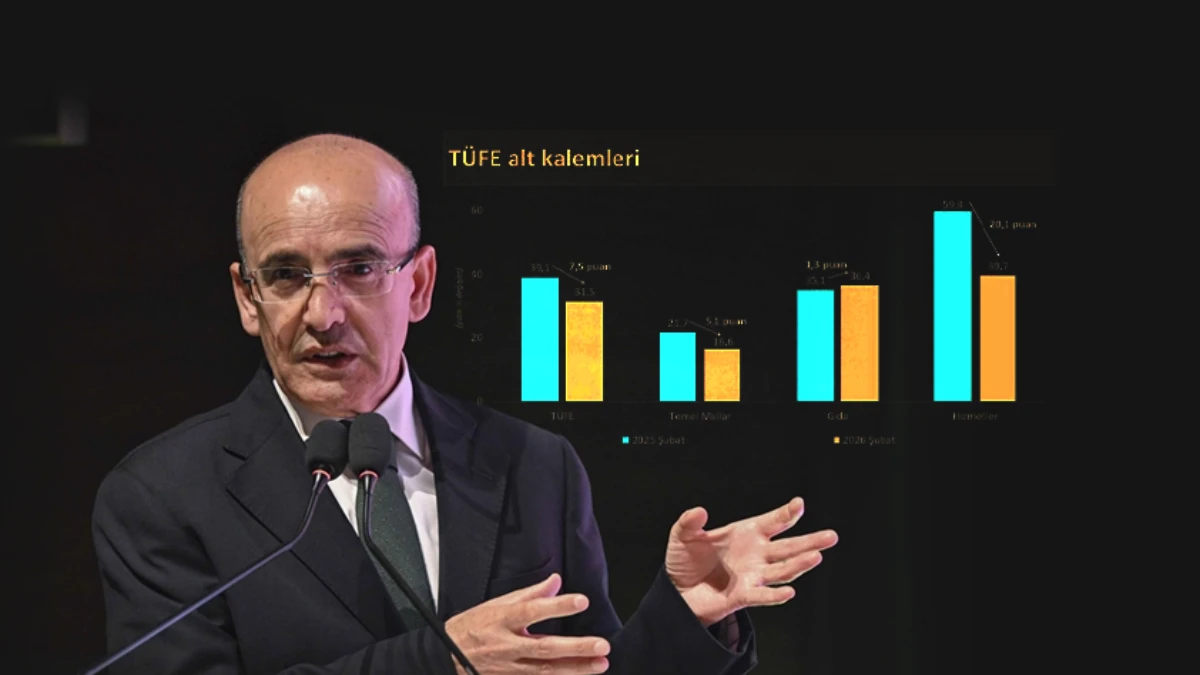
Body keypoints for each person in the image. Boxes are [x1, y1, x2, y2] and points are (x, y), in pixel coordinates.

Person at [91, 133, 839, 674]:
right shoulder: (162, 495)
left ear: (418, 285)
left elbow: (587, 667)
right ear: (246, 297)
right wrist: (441, 661)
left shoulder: (535, 464)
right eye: (286, 275)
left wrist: (685, 613)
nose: (323, 314)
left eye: (359, 268)